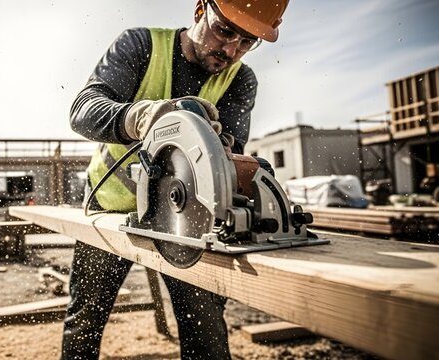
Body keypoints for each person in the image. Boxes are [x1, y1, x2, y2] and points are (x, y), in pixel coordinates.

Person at [65, 0, 289, 358]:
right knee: (84, 322)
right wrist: (140, 117)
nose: (231, 50)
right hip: (109, 207)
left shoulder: (241, 79)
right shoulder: (141, 45)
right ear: (201, 10)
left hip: (186, 219)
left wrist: (218, 143)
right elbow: (82, 111)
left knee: (206, 333)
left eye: (247, 42)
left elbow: (230, 161)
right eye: (225, 30)